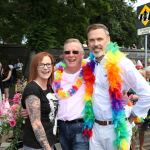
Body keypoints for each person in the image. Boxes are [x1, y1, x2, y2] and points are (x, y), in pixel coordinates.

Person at [86, 23, 150, 150]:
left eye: (99, 39)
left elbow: (147, 93)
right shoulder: (89, 64)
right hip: (95, 129)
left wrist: (133, 116)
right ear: (88, 43)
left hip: (117, 130)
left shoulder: (122, 63)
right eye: (92, 40)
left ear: (108, 40)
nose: (95, 43)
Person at [53, 38, 95, 150]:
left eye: (75, 52)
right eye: (67, 52)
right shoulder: (55, 74)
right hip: (61, 128)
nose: (71, 55)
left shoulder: (90, 70)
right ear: (63, 55)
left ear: (82, 54)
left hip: (81, 128)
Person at [21, 52, 58, 150]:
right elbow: (36, 123)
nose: (46, 68)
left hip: (49, 141)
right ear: (35, 67)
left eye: (48, 64)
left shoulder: (48, 87)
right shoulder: (32, 89)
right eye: (42, 65)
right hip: (36, 146)